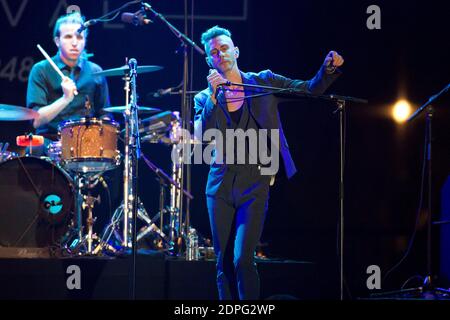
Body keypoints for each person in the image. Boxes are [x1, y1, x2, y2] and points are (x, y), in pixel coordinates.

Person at [194, 25, 344, 300]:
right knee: (223, 263)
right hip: (220, 185)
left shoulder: (264, 81)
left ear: (235, 51)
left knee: (242, 258)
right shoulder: (204, 98)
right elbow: (202, 135)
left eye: (224, 48)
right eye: (214, 52)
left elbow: (309, 89)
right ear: (209, 61)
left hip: (255, 182)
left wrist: (327, 70)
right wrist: (214, 97)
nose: (220, 54)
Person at [27, 11, 110, 155]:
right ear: (57, 41)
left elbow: (104, 114)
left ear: (85, 40)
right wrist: (65, 99)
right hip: (50, 143)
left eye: (79, 37)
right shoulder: (41, 70)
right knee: (32, 148)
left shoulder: (96, 71)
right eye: (68, 37)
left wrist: (102, 133)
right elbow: (36, 121)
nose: (74, 42)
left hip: (87, 143)